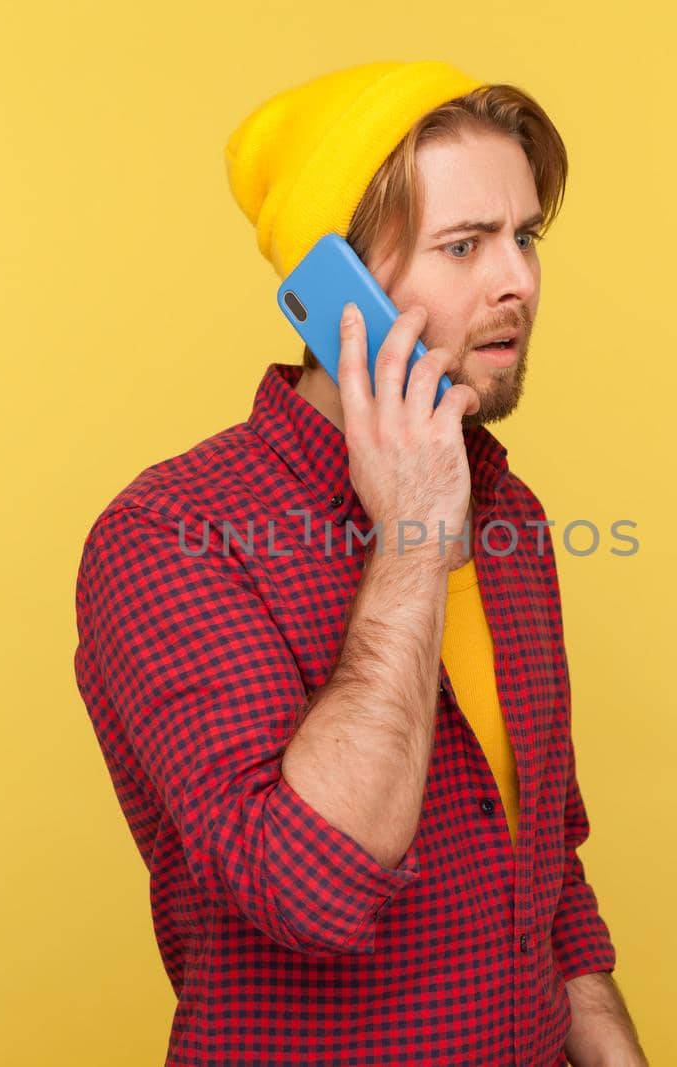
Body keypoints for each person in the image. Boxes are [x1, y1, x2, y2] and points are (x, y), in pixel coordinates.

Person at [73, 60, 646, 1066]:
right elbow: (310, 882)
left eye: (523, 237)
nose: (515, 278)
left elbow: (543, 866)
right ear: (331, 293)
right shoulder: (169, 533)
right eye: (464, 244)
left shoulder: (509, 517)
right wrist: (416, 535)